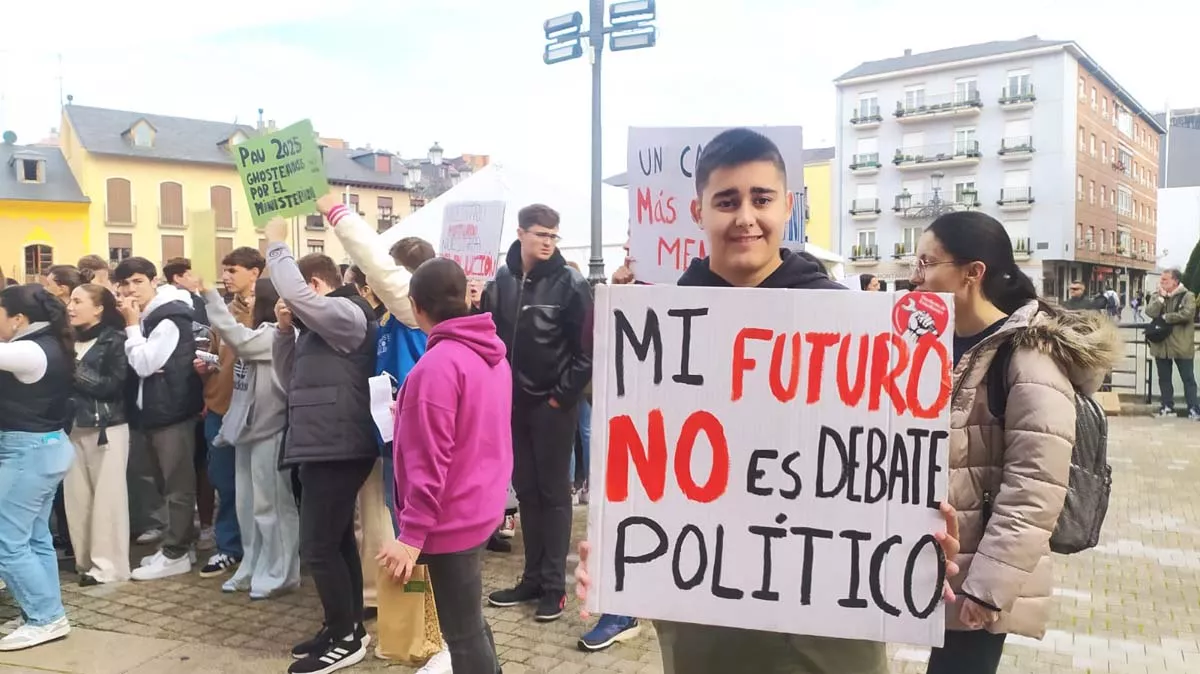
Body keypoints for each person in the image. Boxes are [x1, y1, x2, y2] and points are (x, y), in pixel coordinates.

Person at [574, 128, 962, 674]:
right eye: (726, 201)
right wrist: (617, 550)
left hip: (829, 622)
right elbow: (639, 469)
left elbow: (887, 459)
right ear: (698, 210)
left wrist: (915, 538)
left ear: (787, 206)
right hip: (705, 615)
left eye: (761, 199)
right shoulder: (655, 333)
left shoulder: (854, 325)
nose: (745, 217)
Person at [911, 211, 1120, 674]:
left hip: (975, 578)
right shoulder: (931, 343)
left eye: (927, 262)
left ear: (973, 272)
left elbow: (1035, 488)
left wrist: (989, 588)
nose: (915, 276)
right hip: (923, 561)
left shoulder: (1026, 357)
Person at [376, 257, 511, 674]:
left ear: (416, 306)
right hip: (480, 506)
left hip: (450, 522)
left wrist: (411, 535)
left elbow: (429, 462)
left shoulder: (436, 367)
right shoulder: (490, 354)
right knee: (470, 622)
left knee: (463, 634)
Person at [266, 216, 378, 674]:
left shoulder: (348, 314)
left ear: (315, 284)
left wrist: (276, 246)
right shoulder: (317, 328)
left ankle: (348, 637)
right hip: (318, 443)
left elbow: (295, 293)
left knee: (317, 547)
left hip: (338, 445)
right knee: (334, 543)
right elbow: (288, 379)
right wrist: (284, 331)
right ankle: (343, 625)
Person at [483, 204, 593, 623]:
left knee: (553, 493)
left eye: (553, 235)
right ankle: (531, 578)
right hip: (512, 404)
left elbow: (587, 351)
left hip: (551, 406)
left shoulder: (570, 284)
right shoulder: (503, 281)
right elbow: (491, 337)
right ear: (521, 234)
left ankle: (552, 586)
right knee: (526, 491)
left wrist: (559, 397)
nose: (547, 241)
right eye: (541, 234)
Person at [200, 277, 300, 599]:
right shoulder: (260, 332)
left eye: (256, 294)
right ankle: (253, 564)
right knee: (247, 506)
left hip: (270, 429)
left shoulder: (276, 334)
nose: (250, 299)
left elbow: (239, 341)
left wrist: (210, 297)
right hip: (245, 430)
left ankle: (280, 572)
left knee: (272, 505)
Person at [114, 257, 205, 581]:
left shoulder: (168, 317)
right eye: (124, 284)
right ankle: (176, 545)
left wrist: (131, 329)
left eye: (137, 281)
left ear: (154, 281)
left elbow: (143, 363)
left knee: (177, 486)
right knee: (161, 484)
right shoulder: (146, 317)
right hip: (150, 412)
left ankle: (176, 552)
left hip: (172, 412)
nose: (130, 290)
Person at [0, 284, 76, 651]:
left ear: (18, 318)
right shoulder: (45, 342)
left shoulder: (29, 349)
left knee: (5, 540)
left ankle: (46, 617)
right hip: (45, 449)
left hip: (28, 452)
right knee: (33, 538)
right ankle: (43, 611)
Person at [193, 249, 264, 576]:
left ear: (255, 272)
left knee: (261, 487)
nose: (226, 276)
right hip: (220, 408)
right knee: (224, 482)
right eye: (225, 270)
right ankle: (229, 547)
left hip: (259, 413)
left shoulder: (270, 311)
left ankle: (264, 549)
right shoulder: (221, 311)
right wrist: (204, 367)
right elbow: (214, 352)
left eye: (233, 270)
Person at [64, 283, 131, 586]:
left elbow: (110, 386)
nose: (70, 306)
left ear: (99, 307)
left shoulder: (114, 340)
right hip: (71, 428)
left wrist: (73, 368)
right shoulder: (66, 341)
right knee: (77, 499)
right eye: (70, 300)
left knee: (108, 500)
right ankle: (85, 561)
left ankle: (110, 567)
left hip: (107, 428)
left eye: (77, 301)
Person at [1146, 269, 1199, 419]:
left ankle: (1193, 408)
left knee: (1188, 378)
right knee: (1164, 378)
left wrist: (1166, 317)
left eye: (1165, 280)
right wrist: (1161, 300)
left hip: (1181, 345)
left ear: (1175, 281)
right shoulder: (1157, 296)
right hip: (1161, 345)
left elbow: (1188, 314)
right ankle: (1167, 406)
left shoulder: (1187, 296)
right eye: (1161, 279)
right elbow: (1150, 312)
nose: (1161, 282)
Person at [162, 257, 210, 327]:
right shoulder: (164, 301)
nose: (196, 280)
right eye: (191, 275)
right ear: (177, 278)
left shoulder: (198, 300)